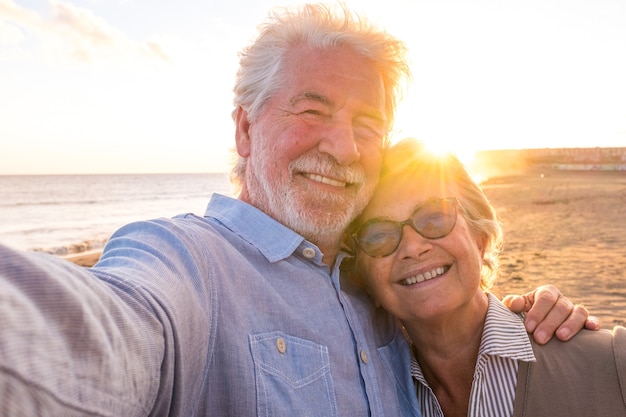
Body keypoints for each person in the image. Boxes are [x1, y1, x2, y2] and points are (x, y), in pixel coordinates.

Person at [0, 3, 595, 416]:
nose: (342, 147)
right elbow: (108, 328)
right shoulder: (190, 265)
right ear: (245, 127)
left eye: (368, 125)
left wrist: (523, 318)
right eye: (311, 111)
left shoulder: (377, 280)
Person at [348, 137, 625, 417]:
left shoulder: (612, 364)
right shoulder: (372, 399)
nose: (413, 247)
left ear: (480, 239)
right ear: (364, 277)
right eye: (379, 235)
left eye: (435, 217)